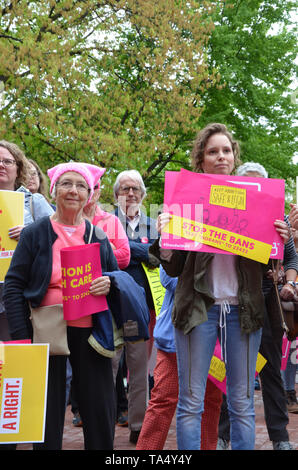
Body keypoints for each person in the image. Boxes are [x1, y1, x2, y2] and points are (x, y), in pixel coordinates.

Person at [152, 123, 290, 450]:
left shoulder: (257, 202)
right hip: (199, 311)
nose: (220, 157)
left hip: (244, 312)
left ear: (234, 156)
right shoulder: (187, 198)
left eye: (226, 151)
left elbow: (271, 264)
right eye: (212, 151)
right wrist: (166, 237)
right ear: (201, 159)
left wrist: (280, 242)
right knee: (191, 402)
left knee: (241, 401)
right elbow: (172, 264)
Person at [3, 162, 119, 450]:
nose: (74, 191)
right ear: (53, 191)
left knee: (100, 408)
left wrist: (108, 284)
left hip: (91, 333)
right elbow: (14, 285)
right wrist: (22, 336)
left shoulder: (99, 236)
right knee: (47, 409)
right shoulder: (34, 234)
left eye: (81, 186)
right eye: (66, 184)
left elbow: (116, 281)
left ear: (89, 195)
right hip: (45, 333)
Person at [216, 161, 298, 451]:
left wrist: (288, 283)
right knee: (227, 371)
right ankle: (223, 435)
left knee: (270, 370)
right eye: (247, 184)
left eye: (258, 184)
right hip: (233, 302)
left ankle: (280, 437)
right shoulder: (225, 216)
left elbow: (291, 259)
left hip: (265, 303)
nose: (253, 190)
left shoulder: (278, 221)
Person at [68, 164, 131, 427]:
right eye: (84, 187)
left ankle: (114, 410)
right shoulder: (64, 221)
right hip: (71, 303)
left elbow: (124, 256)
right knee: (73, 359)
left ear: (96, 191)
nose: (87, 193)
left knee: (106, 360)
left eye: (91, 188)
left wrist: (88, 260)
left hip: (101, 302)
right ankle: (78, 409)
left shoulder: (110, 221)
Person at [136, 266, 222, 450]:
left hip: (216, 338)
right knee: (163, 400)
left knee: (210, 403)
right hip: (176, 335)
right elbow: (169, 279)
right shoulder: (177, 237)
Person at [112, 169, 159, 444]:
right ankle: (107, 415)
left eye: (135, 190)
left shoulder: (154, 224)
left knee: (139, 367)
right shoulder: (106, 223)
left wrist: (126, 250)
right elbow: (106, 254)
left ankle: (137, 424)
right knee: (109, 365)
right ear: (116, 195)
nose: (130, 194)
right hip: (111, 302)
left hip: (144, 305)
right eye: (125, 189)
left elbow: (160, 255)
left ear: (143, 195)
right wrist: (141, 251)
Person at [0, 141, 54, 342]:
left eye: (7, 161)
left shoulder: (34, 201)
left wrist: (31, 234)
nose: (2, 165)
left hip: (22, 296)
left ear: (18, 168)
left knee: (19, 355)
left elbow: (58, 237)